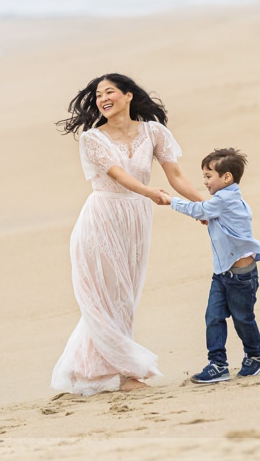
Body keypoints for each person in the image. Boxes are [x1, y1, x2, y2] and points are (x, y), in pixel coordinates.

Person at [51, 73, 207, 395]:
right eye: (97, 95)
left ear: (128, 96)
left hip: (136, 221)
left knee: (126, 296)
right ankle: (125, 374)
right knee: (109, 296)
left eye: (110, 92)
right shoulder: (93, 139)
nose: (102, 99)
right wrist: (149, 192)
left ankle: (91, 370)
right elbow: (118, 176)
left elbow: (176, 175)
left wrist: (205, 206)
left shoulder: (154, 132)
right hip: (102, 218)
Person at [160, 148, 260, 383]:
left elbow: (200, 209)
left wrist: (171, 201)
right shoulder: (221, 202)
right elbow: (207, 212)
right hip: (222, 274)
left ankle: (256, 355)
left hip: (241, 276)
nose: (205, 181)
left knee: (243, 318)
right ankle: (217, 363)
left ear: (227, 177)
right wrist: (208, 215)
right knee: (213, 316)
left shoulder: (227, 199)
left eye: (209, 176)